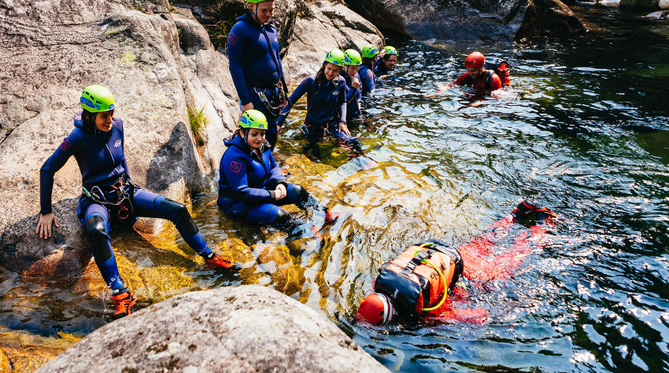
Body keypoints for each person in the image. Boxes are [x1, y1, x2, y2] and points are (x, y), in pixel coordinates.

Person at [37, 85, 239, 319]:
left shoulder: (118, 126)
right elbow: (47, 169)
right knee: (96, 229)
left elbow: (119, 163)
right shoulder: (76, 138)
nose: (110, 120)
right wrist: (45, 211)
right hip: (97, 202)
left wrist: (128, 192)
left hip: (126, 194)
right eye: (104, 116)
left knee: (178, 209)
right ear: (90, 115)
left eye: (112, 113)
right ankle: (120, 292)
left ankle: (209, 257)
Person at [355, 200, 556, 325]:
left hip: (469, 275)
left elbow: (478, 316)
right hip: (442, 252)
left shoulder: (426, 312)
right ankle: (516, 214)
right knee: (485, 241)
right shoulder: (380, 281)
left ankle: (542, 223)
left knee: (513, 258)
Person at [218, 109, 331, 230]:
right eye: (254, 134)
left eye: (262, 134)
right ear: (242, 133)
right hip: (237, 203)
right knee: (280, 216)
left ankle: (326, 214)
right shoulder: (234, 158)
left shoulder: (262, 145)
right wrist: (272, 195)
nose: (259, 138)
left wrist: (279, 183)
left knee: (298, 191)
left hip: (263, 191)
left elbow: (273, 167)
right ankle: (307, 234)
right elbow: (242, 192)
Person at [227, 0, 288, 146]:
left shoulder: (271, 28)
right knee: (256, 137)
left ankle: (269, 168)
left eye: (272, 10)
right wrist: (246, 101)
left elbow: (277, 59)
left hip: (274, 92)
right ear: (251, 6)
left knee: (272, 133)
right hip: (255, 94)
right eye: (264, 10)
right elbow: (235, 67)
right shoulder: (240, 30)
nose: (268, 14)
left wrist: (285, 90)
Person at [277, 49, 355, 156]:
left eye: (335, 71)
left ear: (339, 70)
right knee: (315, 157)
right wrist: (279, 123)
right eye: (329, 68)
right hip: (312, 127)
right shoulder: (310, 81)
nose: (331, 73)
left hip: (331, 125)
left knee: (353, 144)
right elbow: (291, 100)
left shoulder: (341, 81)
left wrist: (343, 121)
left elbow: (342, 102)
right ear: (324, 65)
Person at [341, 48, 363, 127]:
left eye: (357, 68)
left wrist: (359, 101)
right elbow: (341, 102)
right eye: (352, 68)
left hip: (356, 116)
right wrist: (353, 89)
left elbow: (360, 91)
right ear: (344, 65)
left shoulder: (356, 75)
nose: (355, 71)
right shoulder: (339, 79)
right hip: (344, 119)